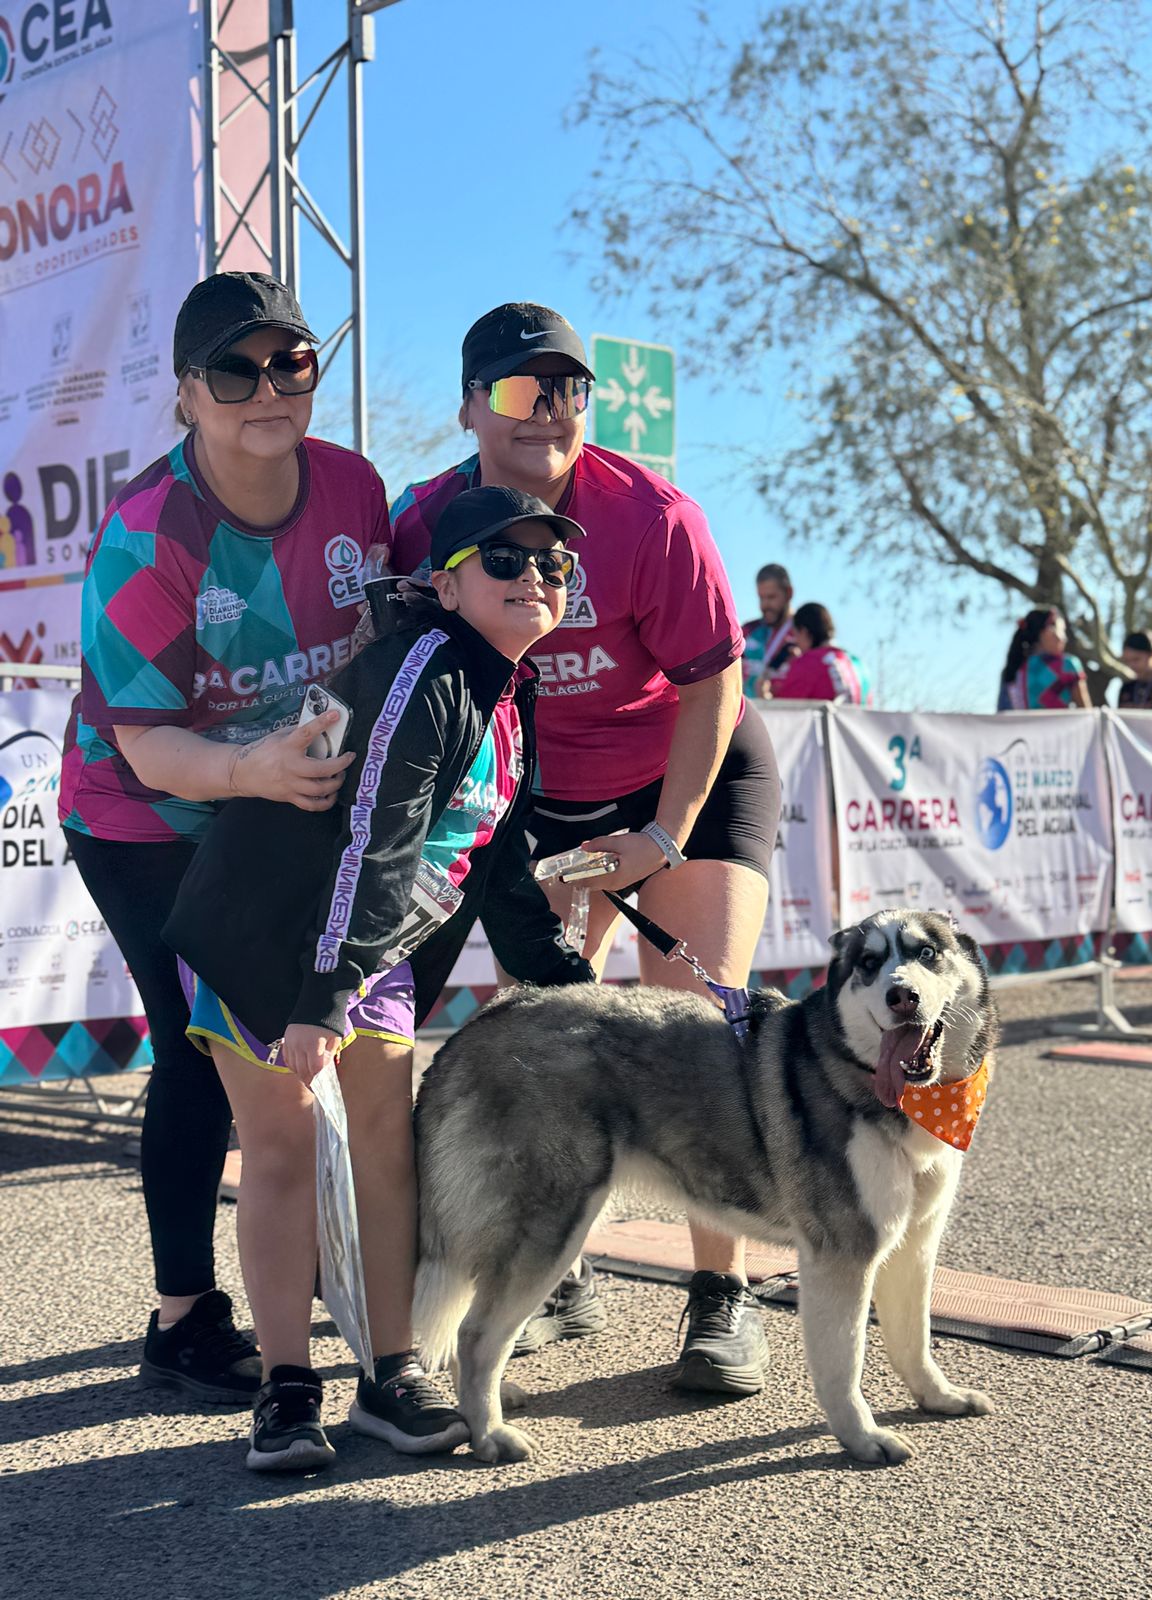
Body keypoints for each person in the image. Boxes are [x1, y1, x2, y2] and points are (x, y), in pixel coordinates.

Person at [391, 302, 782, 1397]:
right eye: (520, 390)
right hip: (542, 797)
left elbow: (714, 686)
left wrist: (660, 834)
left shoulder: (651, 517)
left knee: (697, 1022)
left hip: (687, 780)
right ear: (471, 406)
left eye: (569, 389)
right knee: (554, 1033)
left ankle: (722, 1298)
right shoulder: (425, 520)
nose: (548, 411)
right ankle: (560, 1274)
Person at [164, 486, 595, 1471]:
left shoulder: (506, 695)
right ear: (445, 583)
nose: (537, 576)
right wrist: (320, 996)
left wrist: (564, 979)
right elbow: (375, 834)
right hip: (272, 931)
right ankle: (285, 1390)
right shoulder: (429, 666)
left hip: (365, 947)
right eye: (506, 559)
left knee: (385, 1149)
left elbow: (493, 859)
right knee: (278, 1150)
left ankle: (389, 1375)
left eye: (555, 565)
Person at [58, 271, 390, 1405]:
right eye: (234, 369)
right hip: (142, 812)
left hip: (268, 797)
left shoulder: (354, 490)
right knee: (199, 1035)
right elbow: (148, 746)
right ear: (187, 394)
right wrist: (254, 768)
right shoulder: (147, 535)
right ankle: (182, 1313)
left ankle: (348, 1289)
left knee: (300, 1040)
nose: (267, 388)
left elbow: (367, 652)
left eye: (288, 361)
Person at [763, 601, 871, 704]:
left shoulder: (807, 663)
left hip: (825, 723)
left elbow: (782, 712)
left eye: (795, 635)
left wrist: (764, 693)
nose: (795, 642)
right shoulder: (859, 664)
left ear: (804, 632)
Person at [998, 607, 1091, 710]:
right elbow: (1086, 713)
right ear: (1047, 631)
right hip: (1060, 726)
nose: (1065, 638)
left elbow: (1003, 715)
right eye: (1062, 630)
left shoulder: (1013, 670)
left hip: (1022, 726)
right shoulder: (1067, 665)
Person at [740, 562, 794, 697]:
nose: (765, 605)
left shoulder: (804, 635)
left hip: (784, 715)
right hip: (747, 714)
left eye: (771, 597)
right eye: (761, 598)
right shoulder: (748, 631)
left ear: (788, 593)